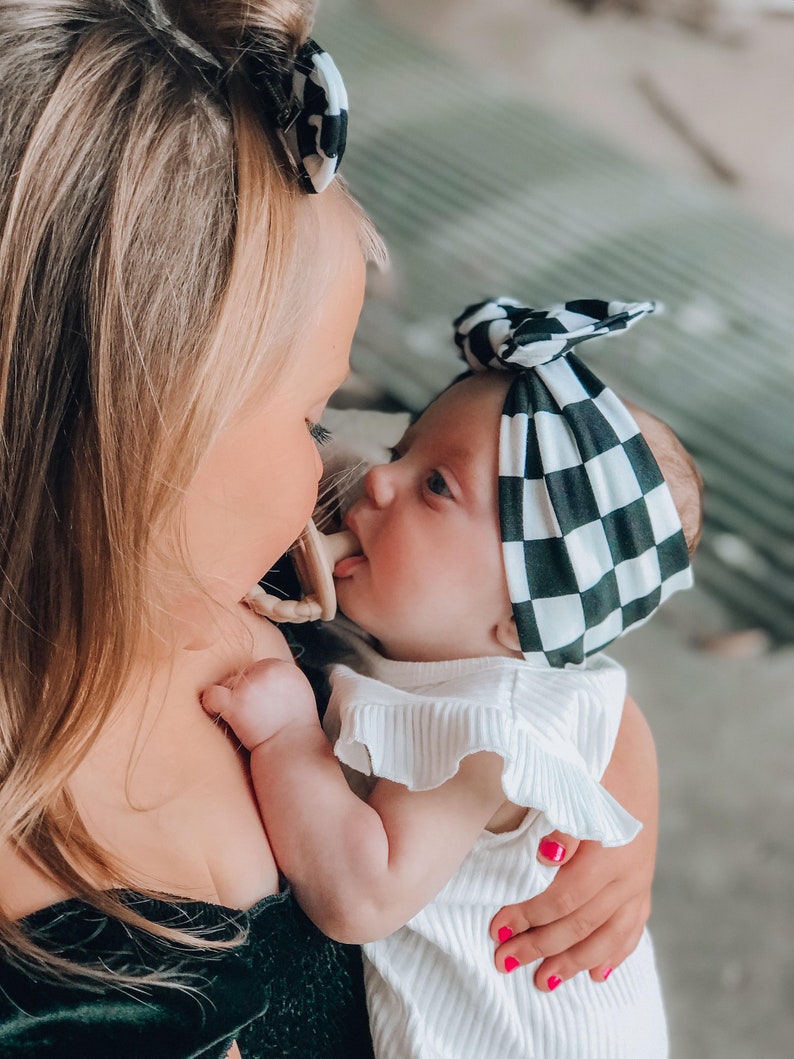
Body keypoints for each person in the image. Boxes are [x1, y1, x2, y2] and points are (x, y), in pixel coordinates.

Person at [0, 0, 667, 1052]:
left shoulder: (282, 553)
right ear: (138, 435)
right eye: (315, 416)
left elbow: (554, 677)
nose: (351, 468)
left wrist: (616, 811)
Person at [204, 297, 704, 1058]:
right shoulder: (454, 654)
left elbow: (362, 892)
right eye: (404, 448)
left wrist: (286, 737)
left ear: (522, 618)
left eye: (435, 485)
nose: (377, 479)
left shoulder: (482, 728)